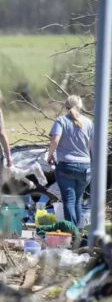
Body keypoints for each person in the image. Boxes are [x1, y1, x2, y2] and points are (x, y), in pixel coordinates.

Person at [47, 95, 93, 228]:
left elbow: (55, 139)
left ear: (66, 106)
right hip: (85, 167)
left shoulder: (61, 121)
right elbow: (93, 146)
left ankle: (72, 234)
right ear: (81, 106)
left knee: (69, 200)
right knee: (78, 200)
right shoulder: (89, 123)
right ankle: (79, 232)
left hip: (66, 166)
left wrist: (50, 155)